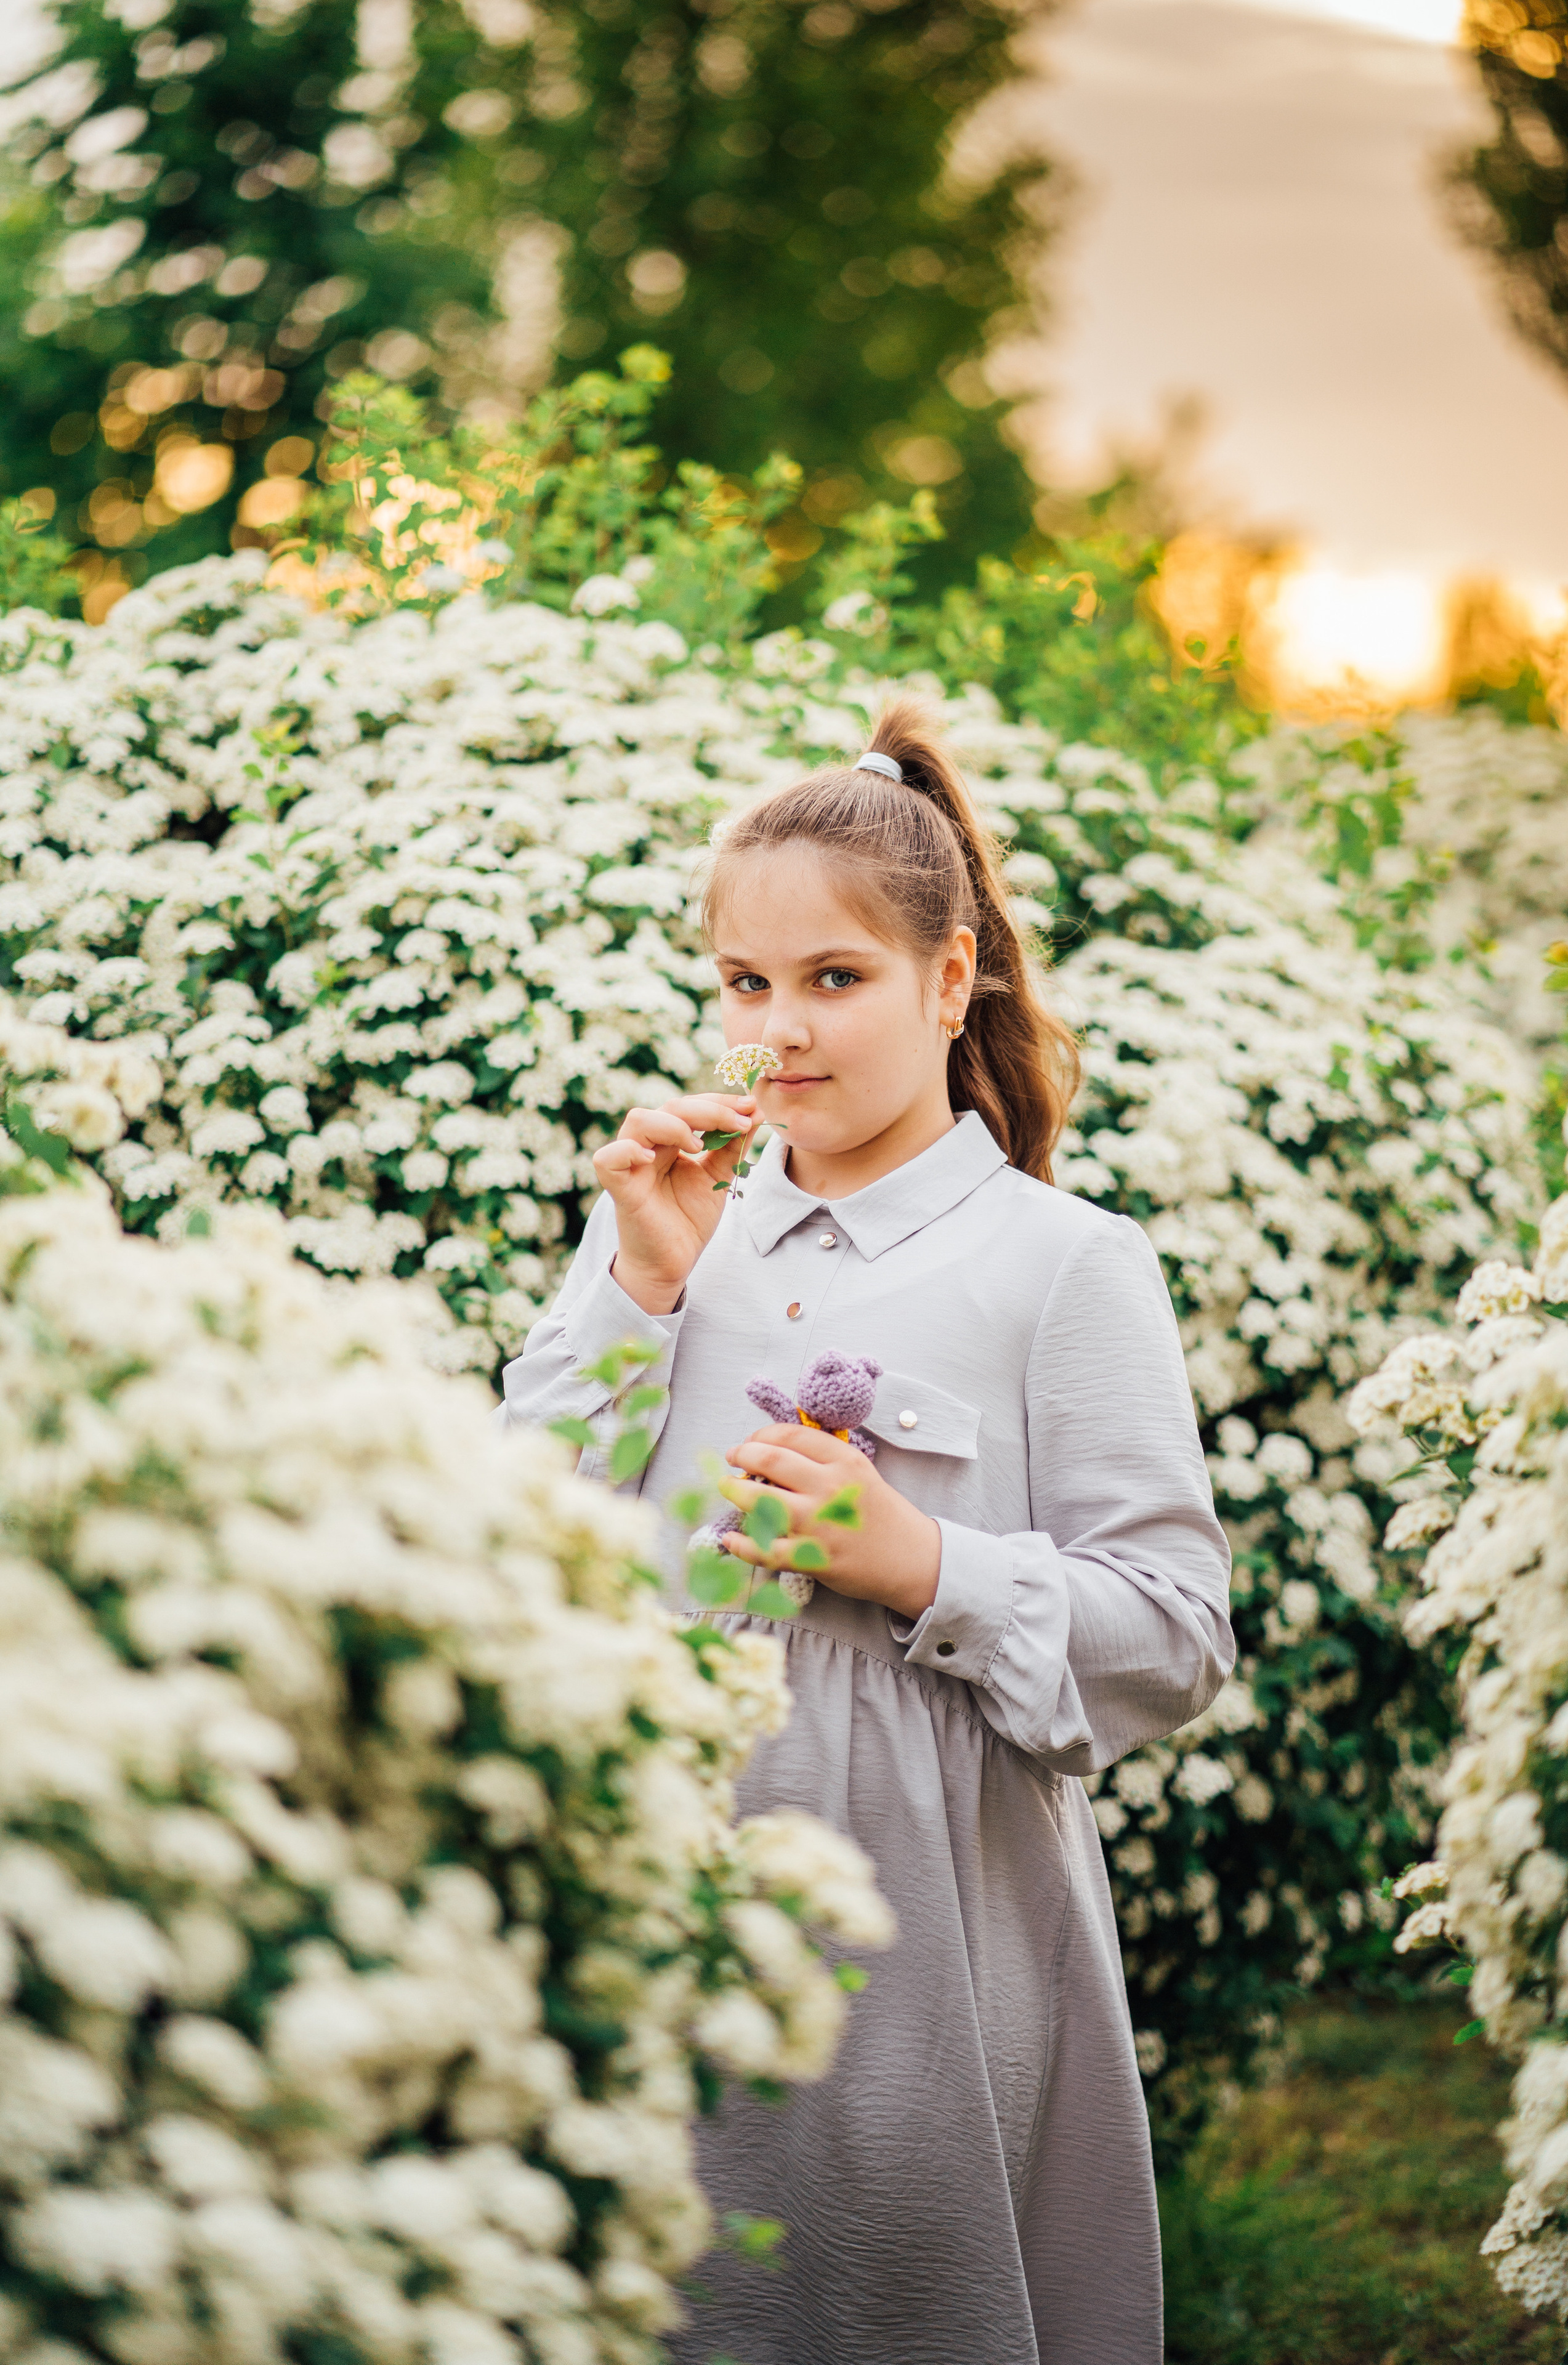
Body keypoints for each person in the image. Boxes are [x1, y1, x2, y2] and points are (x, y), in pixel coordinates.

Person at [496, 697, 1234, 2365]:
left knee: (886, 2294)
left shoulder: (1064, 1264)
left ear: (949, 978)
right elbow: (517, 1530)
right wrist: (640, 1291)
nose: (782, 1032)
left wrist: (922, 1564)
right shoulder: (674, 1226)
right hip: (657, 1885)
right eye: (746, 985)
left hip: (921, 1931)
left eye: (836, 981)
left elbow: (1179, 1630)